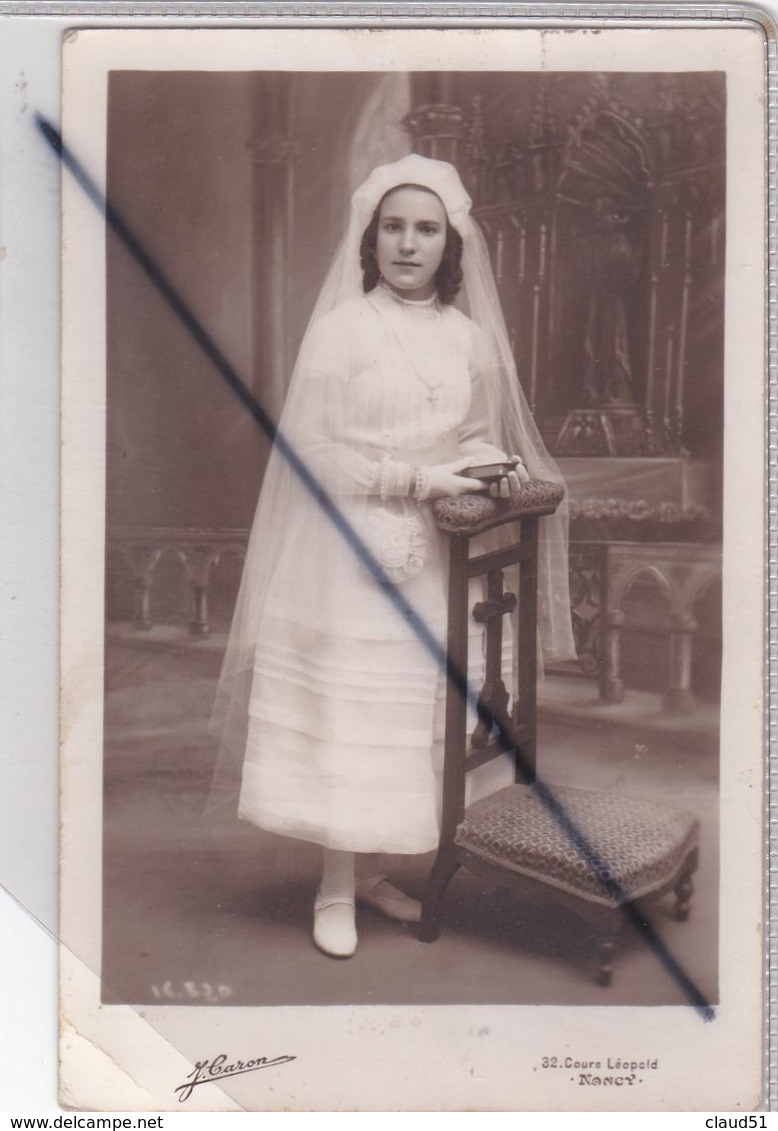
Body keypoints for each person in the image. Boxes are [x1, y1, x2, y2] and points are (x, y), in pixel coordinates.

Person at [210, 154, 574, 959]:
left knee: (411, 716)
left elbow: (469, 429)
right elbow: (310, 449)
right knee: (352, 712)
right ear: (371, 240)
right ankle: (334, 885)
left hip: (433, 553)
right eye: (395, 228)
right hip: (345, 549)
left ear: (452, 245)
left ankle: (375, 872)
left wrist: (486, 461)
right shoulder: (343, 331)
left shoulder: (469, 338)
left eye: (428, 229)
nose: (410, 243)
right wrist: (414, 476)